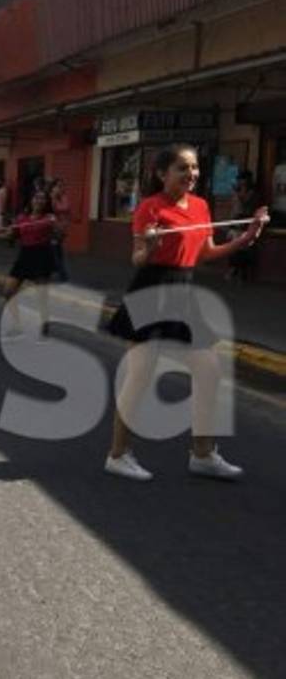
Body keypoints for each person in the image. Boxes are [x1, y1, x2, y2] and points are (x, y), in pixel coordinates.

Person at [104, 144, 268, 483]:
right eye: (182, 168)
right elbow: (137, 259)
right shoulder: (150, 207)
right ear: (162, 174)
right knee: (140, 379)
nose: (191, 174)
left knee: (209, 372)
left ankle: (203, 454)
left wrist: (247, 236)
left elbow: (206, 252)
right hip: (151, 290)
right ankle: (117, 455)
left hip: (184, 290)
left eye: (194, 168)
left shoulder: (200, 206)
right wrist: (148, 245)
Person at [0, 189, 56, 340]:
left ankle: (44, 325)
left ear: (46, 203)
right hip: (25, 255)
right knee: (8, 291)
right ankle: (17, 325)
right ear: (31, 200)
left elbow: (57, 230)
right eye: (36, 198)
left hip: (42, 255)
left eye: (43, 199)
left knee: (41, 295)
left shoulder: (49, 218)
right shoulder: (22, 218)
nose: (39, 201)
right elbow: (11, 234)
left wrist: (54, 224)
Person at [226, 171, 259, 284]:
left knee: (244, 249)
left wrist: (241, 194)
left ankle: (241, 273)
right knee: (234, 247)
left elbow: (248, 208)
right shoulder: (237, 191)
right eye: (239, 180)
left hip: (246, 224)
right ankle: (234, 269)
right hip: (236, 223)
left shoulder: (252, 193)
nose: (240, 182)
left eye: (242, 180)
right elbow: (234, 209)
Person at [46, 178, 71, 282]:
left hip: (61, 230)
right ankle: (63, 276)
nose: (61, 188)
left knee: (56, 252)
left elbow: (66, 208)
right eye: (58, 186)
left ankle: (52, 273)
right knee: (56, 253)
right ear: (53, 187)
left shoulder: (64, 198)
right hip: (52, 231)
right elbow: (49, 213)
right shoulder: (49, 199)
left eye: (62, 186)